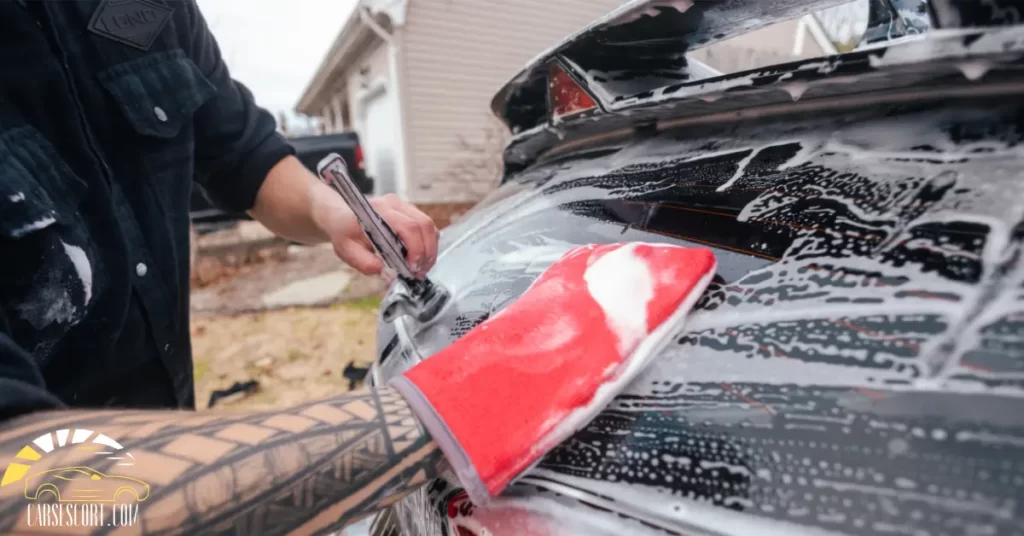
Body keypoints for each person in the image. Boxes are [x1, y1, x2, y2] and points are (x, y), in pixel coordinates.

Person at [0, 0, 440, 533]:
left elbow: (243, 153)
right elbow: (19, 480)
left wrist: (332, 209)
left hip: (172, 428)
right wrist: (440, 422)